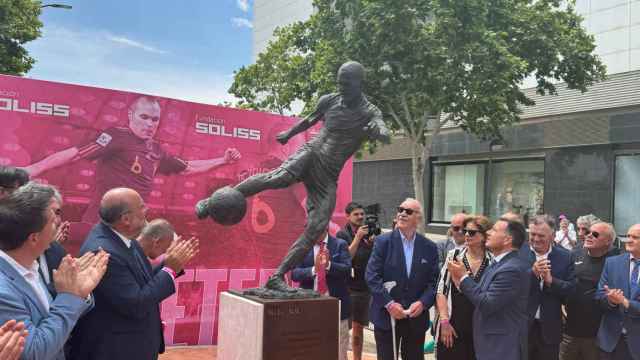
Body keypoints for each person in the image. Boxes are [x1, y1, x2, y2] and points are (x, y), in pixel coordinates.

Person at [222, 61, 390, 292]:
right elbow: (310, 119)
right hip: (311, 152)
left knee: (316, 227)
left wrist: (378, 131)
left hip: (328, 174)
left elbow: (384, 132)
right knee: (277, 178)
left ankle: (277, 276)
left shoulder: (369, 111)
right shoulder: (329, 100)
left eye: (346, 83)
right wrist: (289, 133)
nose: (340, 87)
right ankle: (218, 200)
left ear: (358, 83)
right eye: (339, 82)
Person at [23, 96, 241, 223]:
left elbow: (187, 167)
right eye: (144, 117)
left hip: (135, 225)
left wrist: (222, 160)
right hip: (103, 222)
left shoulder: (156, 150)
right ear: (130, 115)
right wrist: (33, 169)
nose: (149, 124)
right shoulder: (115, 136)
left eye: (154, 119)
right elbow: (76, 152)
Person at [69, 188, 199, 360]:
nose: (146, 210)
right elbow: (135, 304)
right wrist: (169, 269)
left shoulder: (122, 238)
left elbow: (140, 282)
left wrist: (172, 265)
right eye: (141, 207)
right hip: (115, 351)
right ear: (126, 219)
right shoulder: (105, 252)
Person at [0, 182, 109, 360]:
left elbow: (51, 316)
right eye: (53, 220)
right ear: (34, 238)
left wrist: (79, 292)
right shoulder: (3, 290)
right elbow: (34, 351)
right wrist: (70, 296)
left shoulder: (28, 268)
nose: (59, 223)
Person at [366, 198, 439, 360]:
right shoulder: (382, 242)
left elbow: (434, 282)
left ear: (418, 218)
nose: (403, 214)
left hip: (415, 320)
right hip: (386, 317)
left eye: (409, 211)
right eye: (400, 210)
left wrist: (423, 303)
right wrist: (389, 304)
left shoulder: (429, 247)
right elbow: (372, 276)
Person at [448, 218, 530, 360]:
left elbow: (487, 303)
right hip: (489, 345)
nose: (488, 233)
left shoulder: (511, 269)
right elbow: (481, 293)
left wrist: (463, 278)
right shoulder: (498, 263)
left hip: (501, 348)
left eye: (494, 230)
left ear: (507, 240)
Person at [435, 215, 493, 360]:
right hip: (452, 327)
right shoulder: (454, 255)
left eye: (472, 232)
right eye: (465, 231)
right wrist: (444, 321)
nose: (466, 234)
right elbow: (442, 289)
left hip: (481, 330)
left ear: (484, 236)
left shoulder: (492, 261)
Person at [560, 222, 620, 360]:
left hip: (598, 335)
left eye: (595, 234)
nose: (588, 236)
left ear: (608, 241)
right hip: (570, 330)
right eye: (589, 232)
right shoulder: (576, 252)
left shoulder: (617, 260)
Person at [291, 229, 352, 360]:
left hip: (337, 307)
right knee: (310, 348)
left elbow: (347, 270)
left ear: (325, 226)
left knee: (338, 351)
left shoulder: (340, 244)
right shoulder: (302, 246)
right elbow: (294, 274)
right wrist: (315, 269)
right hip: (309, 306)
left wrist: (328, 265)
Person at [526, 215, 576, 360]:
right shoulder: (518, 253)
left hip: (550, 330)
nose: (535, 239)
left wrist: (550, 280)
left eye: (541, 235)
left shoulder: (566, 257)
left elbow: (571, 290)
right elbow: (510, 287)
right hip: (521, 328)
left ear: (553, 236)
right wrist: (532, 274)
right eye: (532, 234)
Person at [595, 224, 640, 360]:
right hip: (610, 342)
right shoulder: (612, 263)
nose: (629, 240)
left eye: (635, 237)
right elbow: (599, 295)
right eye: (628, 236)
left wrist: (624, 302)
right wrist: (611, 300)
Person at [335, 201, 373, 360]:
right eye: (356, 214)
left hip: (364, 287)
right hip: (347, 287)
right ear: (347, 216)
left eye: (362, 214)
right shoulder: (342, 235)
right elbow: (346, 258)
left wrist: (372, 243)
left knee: (359, 327)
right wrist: (357, 238)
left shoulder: (370, 233)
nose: (360, 217)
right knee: (343, 327)